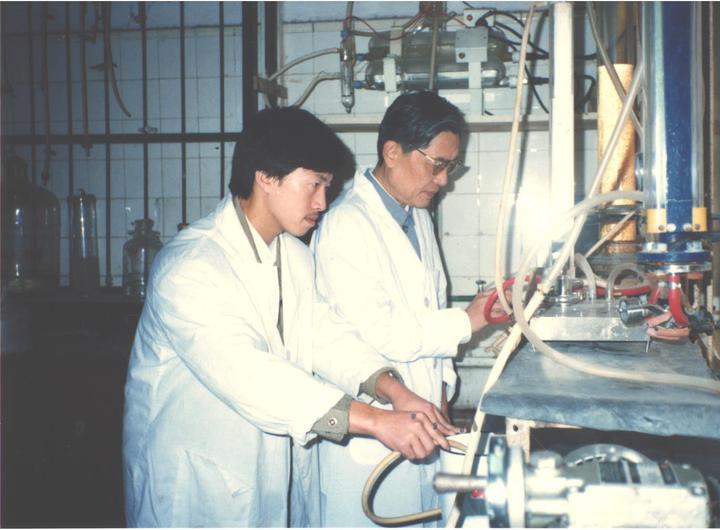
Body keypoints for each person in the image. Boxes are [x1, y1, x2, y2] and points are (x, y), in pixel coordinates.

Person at [122, 107, 456, 528]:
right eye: (314, 184)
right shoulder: (191, 266)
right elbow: (249, 375)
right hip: (196, 480)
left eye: (327, 187)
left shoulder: (293, 255)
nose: (322, 202)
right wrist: (376, 421)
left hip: (268, 470)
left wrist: (394, 391)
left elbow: (323, 334)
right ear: (266, 176)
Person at [311, 91, 503, 527]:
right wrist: (471, 319)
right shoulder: (347, 224)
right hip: (369, 437)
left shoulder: (415, 215)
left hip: (421, 424)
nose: (444, 179)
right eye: (437, 165)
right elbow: (384, 334)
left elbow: (430, 314)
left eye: (451, 166)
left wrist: (442, 403)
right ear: (392, 152)